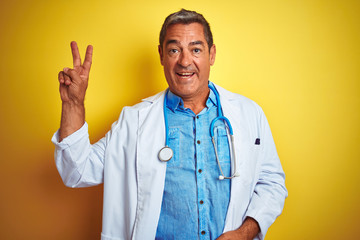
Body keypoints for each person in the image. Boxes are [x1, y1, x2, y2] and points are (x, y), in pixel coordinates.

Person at [52, 9, 287, 240]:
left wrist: (245, 233)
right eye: (174, 50)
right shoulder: (134, 122)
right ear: (161, 55)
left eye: (196, 49)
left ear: (211, 54)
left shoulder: (248, 113)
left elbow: (272, 183)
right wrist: (74, 104)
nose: (185, 61)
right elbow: (76, 172)